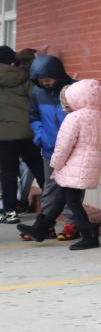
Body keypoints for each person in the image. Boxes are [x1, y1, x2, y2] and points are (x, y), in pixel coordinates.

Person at [17, 79, 101, 250]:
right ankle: (40, 229)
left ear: (77, 98)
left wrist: (56, 164)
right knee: (61, 197)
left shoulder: (73, 117)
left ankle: (89, 234)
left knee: (72, 200)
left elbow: (63, 145)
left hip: (73, 163)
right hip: (89, 162)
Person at [24, 54, 78, 240]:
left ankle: (73, 223)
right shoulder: (38, 93)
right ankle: (45, 224)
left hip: (72, 149)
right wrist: (41, 136)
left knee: (73, 187)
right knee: (50, 187)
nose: (46, 83)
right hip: (49, 148)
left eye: (49, 79)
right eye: (41, 80)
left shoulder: (74, 90)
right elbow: (34, 118)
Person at [0, 46, 45, 223]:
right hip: (27, 131)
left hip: (4, 135)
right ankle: (54, 203)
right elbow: (35, 98)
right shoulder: (24, 76)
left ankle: (10, 211)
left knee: (8, 173)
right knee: (38, 167)